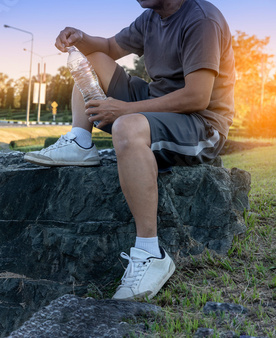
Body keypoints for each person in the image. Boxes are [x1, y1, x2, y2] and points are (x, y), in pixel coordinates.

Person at [24, 0, 235, 301]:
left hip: (201, 125)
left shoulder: (201, 19)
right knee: (92, 58)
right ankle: (80, 140)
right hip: (156, 104)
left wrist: (125, 109)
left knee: (126, 127)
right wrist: (80, 38)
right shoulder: (151, 18)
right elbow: (109, 46)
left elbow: (197, 97)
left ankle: (151, 254)